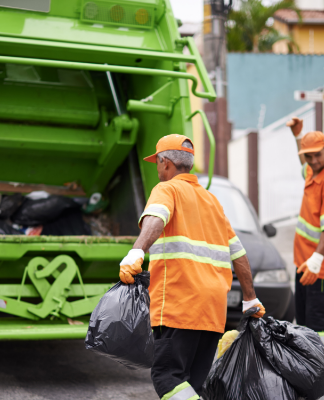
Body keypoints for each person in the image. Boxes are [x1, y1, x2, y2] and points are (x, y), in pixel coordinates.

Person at [118, 134, 265, 400]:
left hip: (179, 304)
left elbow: (156, 218)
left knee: (167, 376)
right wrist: (250, 298)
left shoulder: (166, 189)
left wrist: (136, 252)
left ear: (165, 163)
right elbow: (239, 254)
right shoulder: (213, 202)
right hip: (212, 311)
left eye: (157, 163)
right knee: (193, 385)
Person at [286, 117, 324, 374]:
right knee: (305, 321)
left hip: (319, 269)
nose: (312, 160)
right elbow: (304, 164)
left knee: (321, 324)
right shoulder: (314, 173)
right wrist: (297, 136)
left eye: (317, 155)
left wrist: (315, 261)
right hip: (305, 265)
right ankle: (310, 370)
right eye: (309, 156)